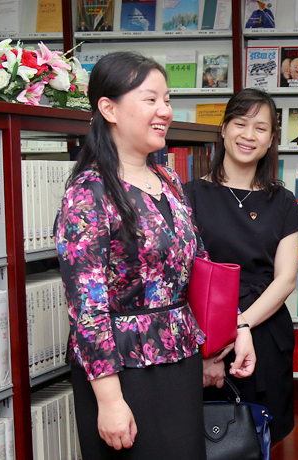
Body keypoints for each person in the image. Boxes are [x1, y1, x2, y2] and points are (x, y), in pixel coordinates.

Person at [55, 51, 256, 460]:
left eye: (167, 100)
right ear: (109, 109)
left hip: (180, 363)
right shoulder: (88, 193)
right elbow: (87, 309)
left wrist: (231, 333)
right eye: (150, 99)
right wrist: (110, 400)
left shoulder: (167, 179)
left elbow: (198, 269)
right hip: (123, 372)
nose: (164, 111)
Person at [184, 88, 298, 444]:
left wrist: (241, 325)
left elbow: (285, 280)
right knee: (201, 438)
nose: (249, 135)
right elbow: (182, 275)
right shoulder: (187, 196)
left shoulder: (282, 201)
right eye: (240, 123)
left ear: (271, 140)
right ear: (224, 129)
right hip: (203, 334)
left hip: (263, 331)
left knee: (259, 438)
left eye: (260, 128)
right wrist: (213, 345)